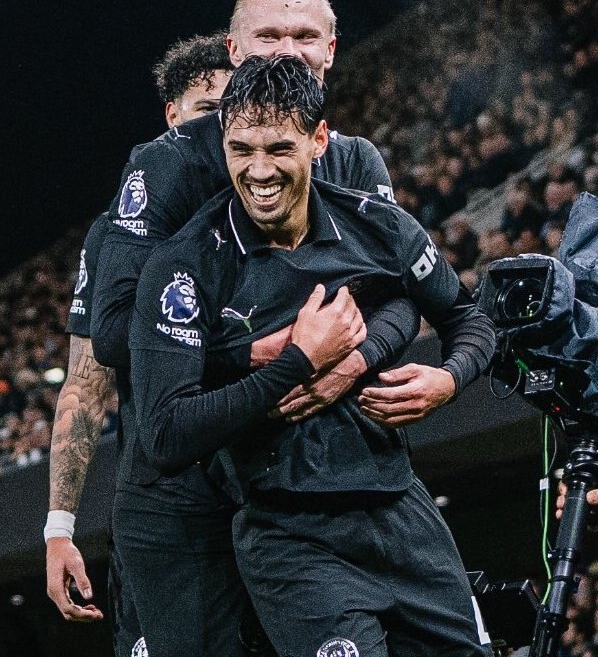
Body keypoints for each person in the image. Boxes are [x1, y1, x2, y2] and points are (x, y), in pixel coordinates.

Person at [88, 0, 436, 657]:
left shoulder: (352, 158)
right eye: (268, 35)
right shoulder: (165, 166)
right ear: (233, 49)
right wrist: (261, 353)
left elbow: (401, 296)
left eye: (304, 36)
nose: (287, 51)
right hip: (187, 489)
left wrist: (359, 357)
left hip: (305, 480)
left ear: (331, 50)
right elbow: (110, 331)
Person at [129, 55, 494, 656]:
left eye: (278, 148)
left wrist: (448, 380)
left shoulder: (378, 227)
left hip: (401, 511)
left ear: (319, 139)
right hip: (288, 534)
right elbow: (166, 433)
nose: (258, 170)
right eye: (240, 149)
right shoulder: (185, 265)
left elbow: (466, 315)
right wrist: (296, 362)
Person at [44, 32, 232, 655]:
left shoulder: (274, 214)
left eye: (233, 113)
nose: (220, 129)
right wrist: (59, 528)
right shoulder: (115, 238)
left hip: (265, 488)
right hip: (161, 502)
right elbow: (84, 384)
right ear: (172, 117)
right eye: (207, 111)